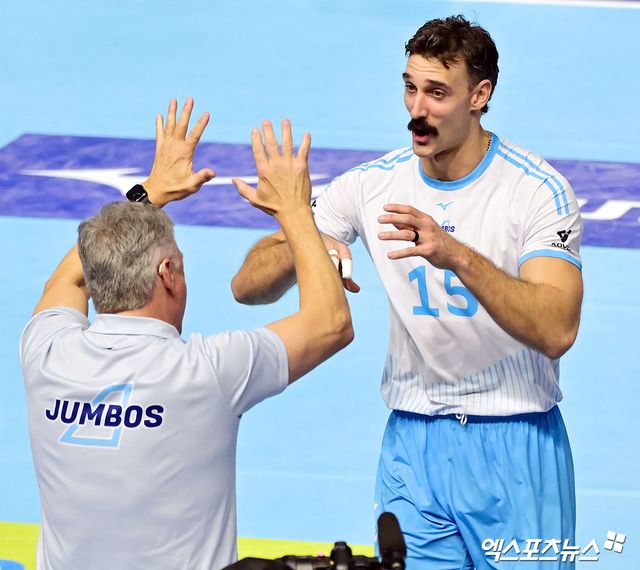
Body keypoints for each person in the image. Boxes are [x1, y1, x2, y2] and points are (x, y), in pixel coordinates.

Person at [231, 15, 583, 570]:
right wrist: (305, 239)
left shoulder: (536, 191)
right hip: (413, 444)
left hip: (516, 443)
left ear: (480, 96)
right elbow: (246, 287)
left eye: (437, 93)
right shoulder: (372, 184)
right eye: (410, 88)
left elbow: (557, 328)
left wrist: (455, 254)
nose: (417, 109)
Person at [19, 98, 353, 570]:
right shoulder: (207, 372)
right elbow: (331, 323)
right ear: (168, 273)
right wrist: (296, 211)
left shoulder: (46, 352)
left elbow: (68, 279)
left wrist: (150, 192)